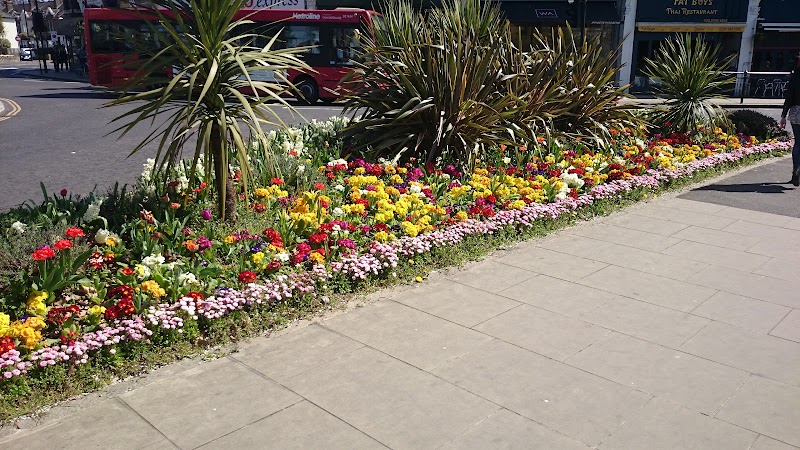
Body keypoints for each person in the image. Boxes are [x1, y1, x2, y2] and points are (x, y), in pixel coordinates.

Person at [780, 52, 800, 186]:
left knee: (798, 143)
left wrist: (783, 115)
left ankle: (795, 170)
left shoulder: (795, 76)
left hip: (796, 111)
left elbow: (789, 97)